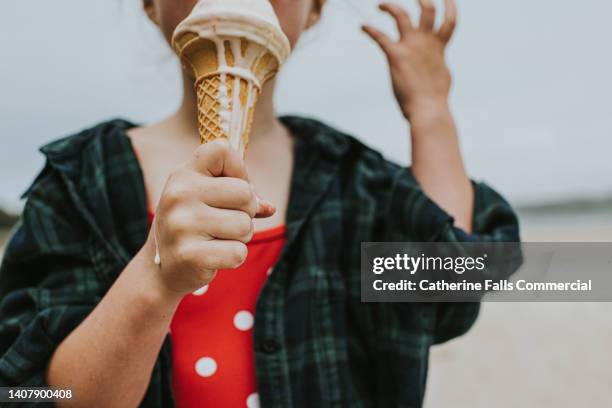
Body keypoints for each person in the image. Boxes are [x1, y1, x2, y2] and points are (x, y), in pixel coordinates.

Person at [0, 0, 520, 407]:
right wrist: (155, 280)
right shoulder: (81, 181)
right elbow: (32, 392)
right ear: (149, 4)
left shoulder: (354, 183)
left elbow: (452, 291)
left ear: (314, 9)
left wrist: (430, 110)